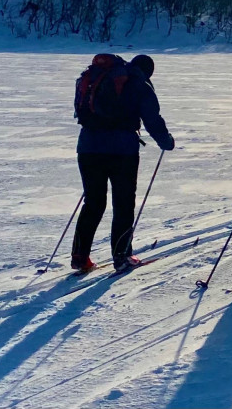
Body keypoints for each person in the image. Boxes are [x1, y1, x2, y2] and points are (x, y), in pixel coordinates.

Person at [71, 53, 174, 272]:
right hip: (122, 151)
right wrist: (166, 141)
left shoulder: (98, 78)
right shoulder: (139, 83)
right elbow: (152, 118)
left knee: (93, 201)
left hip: (88, 147)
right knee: (123, 202)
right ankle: (122, 256)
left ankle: (80, 256)